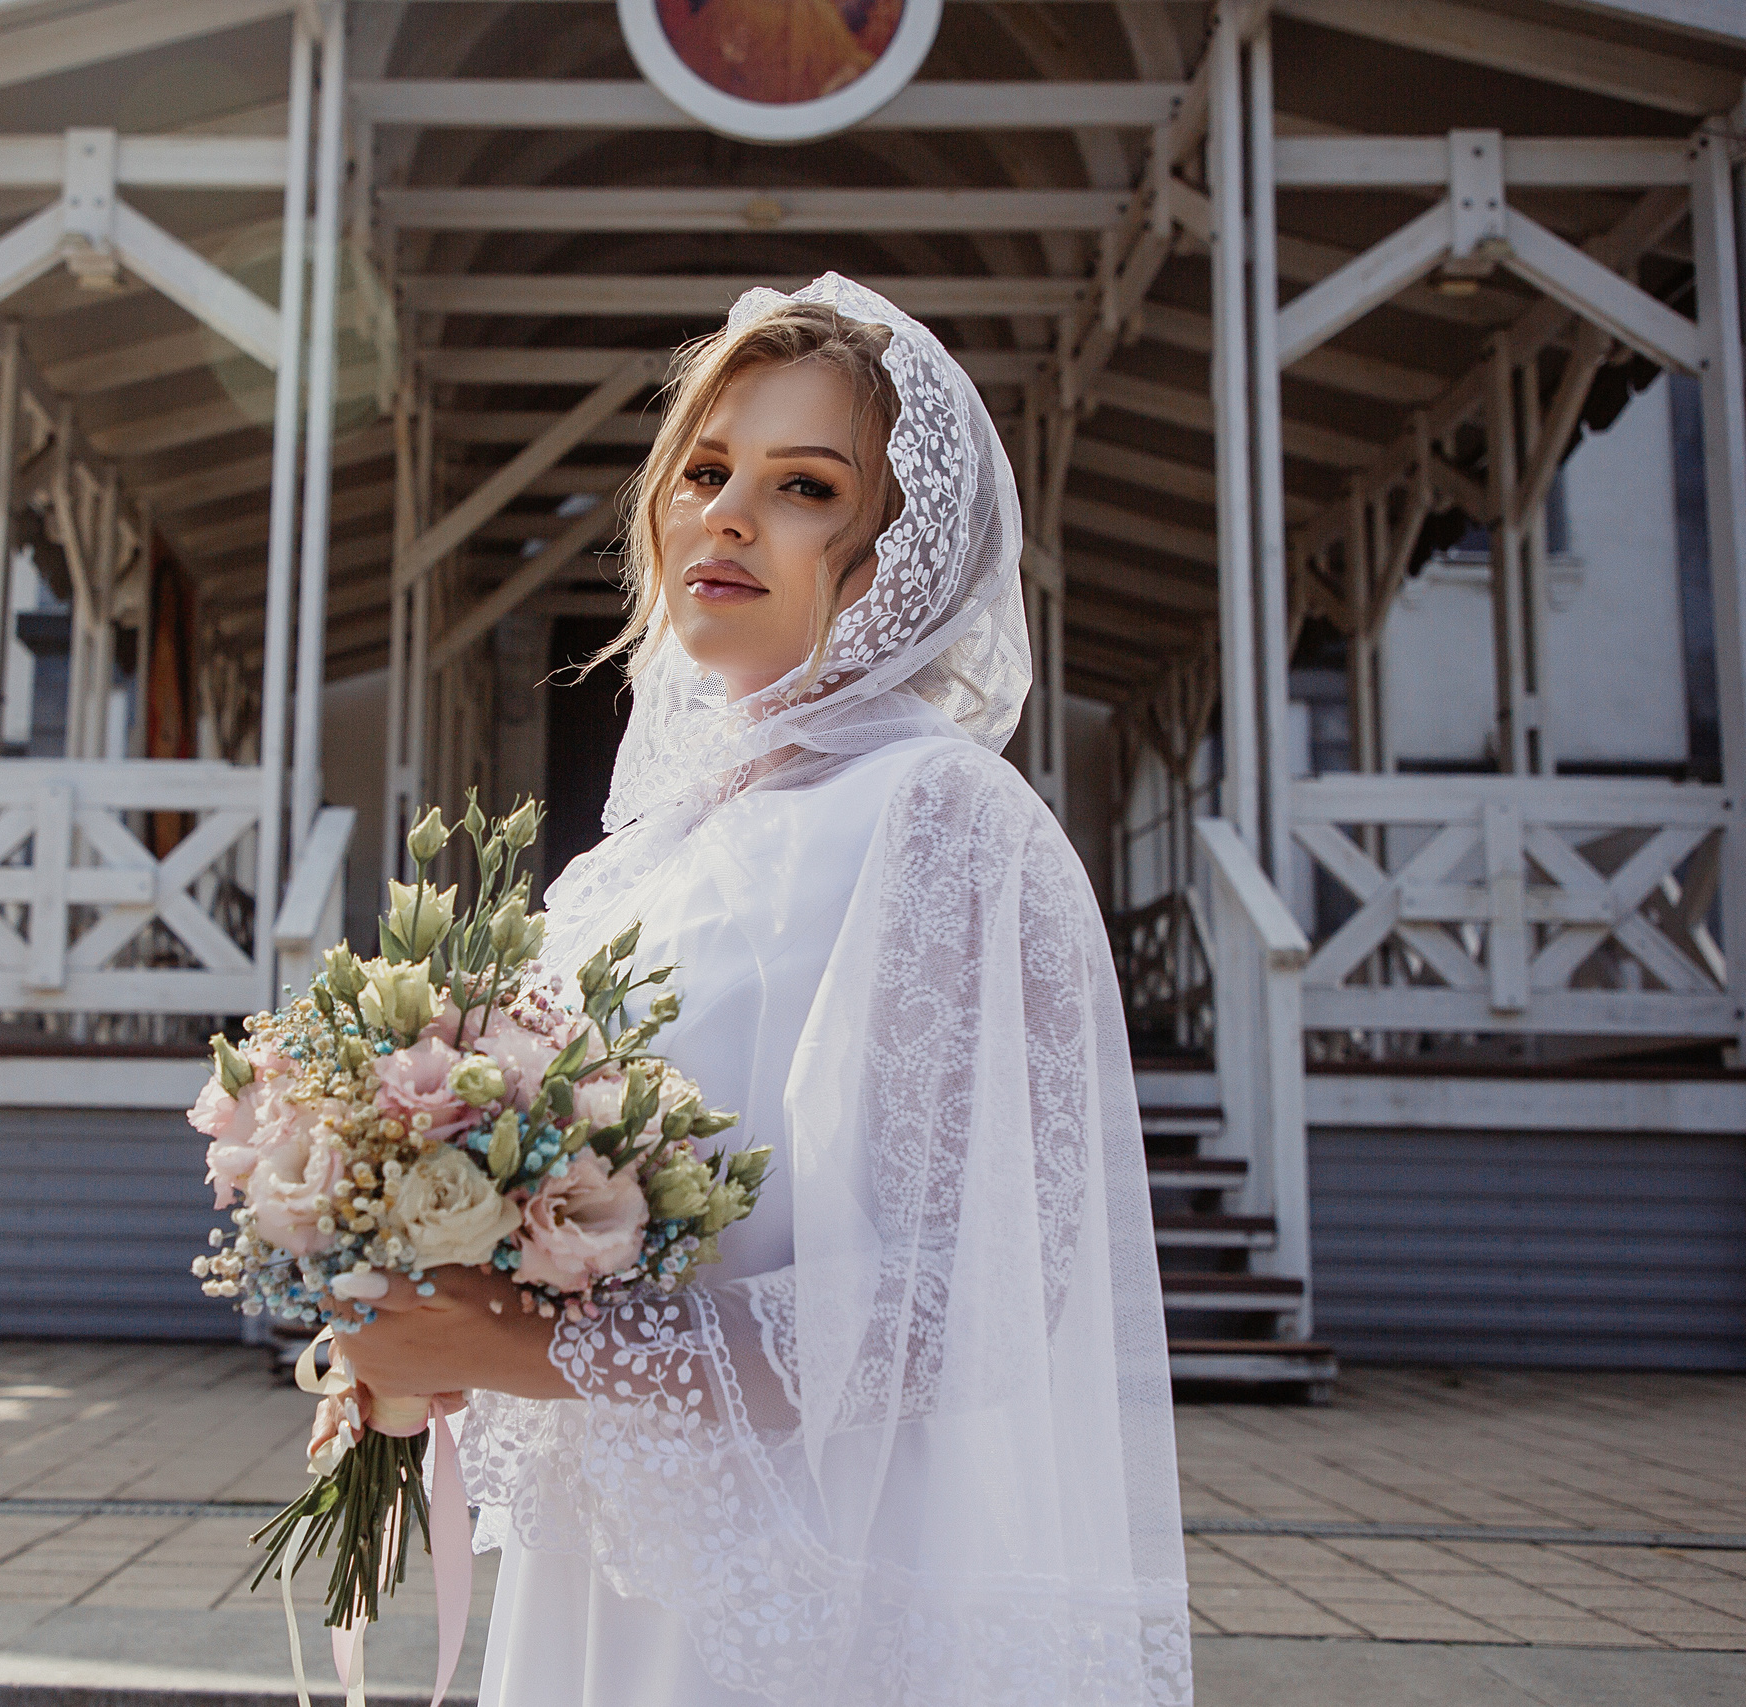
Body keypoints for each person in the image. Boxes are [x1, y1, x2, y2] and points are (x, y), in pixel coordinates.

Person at [333, 275, 1191, 1707]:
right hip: (615, 1570)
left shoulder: (944, 817)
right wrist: (438, 1325)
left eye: (803, 486)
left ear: (899, 555)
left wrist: (539, 1344)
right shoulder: (633, 863)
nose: (724, 517)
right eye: (705, 473)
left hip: (822, 1583)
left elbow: (969, 1301)